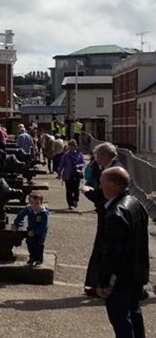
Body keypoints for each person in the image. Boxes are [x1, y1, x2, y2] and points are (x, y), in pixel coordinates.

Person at [96, 167, 149, 338]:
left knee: (121, 321)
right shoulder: (135, 203)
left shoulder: (115, 214)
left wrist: (105, 283)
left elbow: (112, 253)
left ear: (112, 185)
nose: (99, 185)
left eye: (102, 182)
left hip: (119, 280)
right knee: (134, 315)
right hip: (135, 274)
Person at [80, 142, 123, 298]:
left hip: (110, 215)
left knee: (105, 251)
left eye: (98, 156)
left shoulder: (114, 170)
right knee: (101, 250)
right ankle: (96, 284)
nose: (96, 160)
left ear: (105, 155)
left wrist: (88, 192)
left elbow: (106, 194)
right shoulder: (111, 168)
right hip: (107, 213)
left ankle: (102, 285)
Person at [12, 192, 49, 266]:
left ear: (41, 203)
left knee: (39, 244)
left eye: (37, 203)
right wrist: (16, 224)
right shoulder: (28, 209)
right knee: (30, 242)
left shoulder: (43, 213)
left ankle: (38, 259)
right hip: (31, 229)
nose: (34, 205)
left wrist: (35, 231)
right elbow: (21, 215)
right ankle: (32, 257)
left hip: (40, 231)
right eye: (32, 202)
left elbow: (44, 226)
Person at [56, 139, 85, 210]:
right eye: (69, 146)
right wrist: (59, 174)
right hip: (67, 175)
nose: (71, 148)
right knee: (69, 190)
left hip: (76, 174)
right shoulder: (66, 155)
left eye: (72, 146)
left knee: (76, 189)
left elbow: (83, 163)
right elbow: (62, 165)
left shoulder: (79, 154)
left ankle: (76, 200)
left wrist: (79, 165)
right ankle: (70, 204)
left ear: (75, 146)